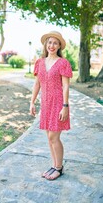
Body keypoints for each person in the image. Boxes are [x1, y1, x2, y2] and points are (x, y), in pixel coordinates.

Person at [29, 30, 73, 181]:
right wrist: (32, 102)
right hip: (46, 104)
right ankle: (54, 165)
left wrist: (65, 106)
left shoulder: (63, 63)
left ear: (59, 45)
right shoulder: (40, 62)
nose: (52, 45)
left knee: (54, 137)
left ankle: (59, 168)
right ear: (45, 44)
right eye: (50, 42)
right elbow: (37, 84)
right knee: (49, 137)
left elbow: (66, 86)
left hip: (58, 103)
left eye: (55, 43)